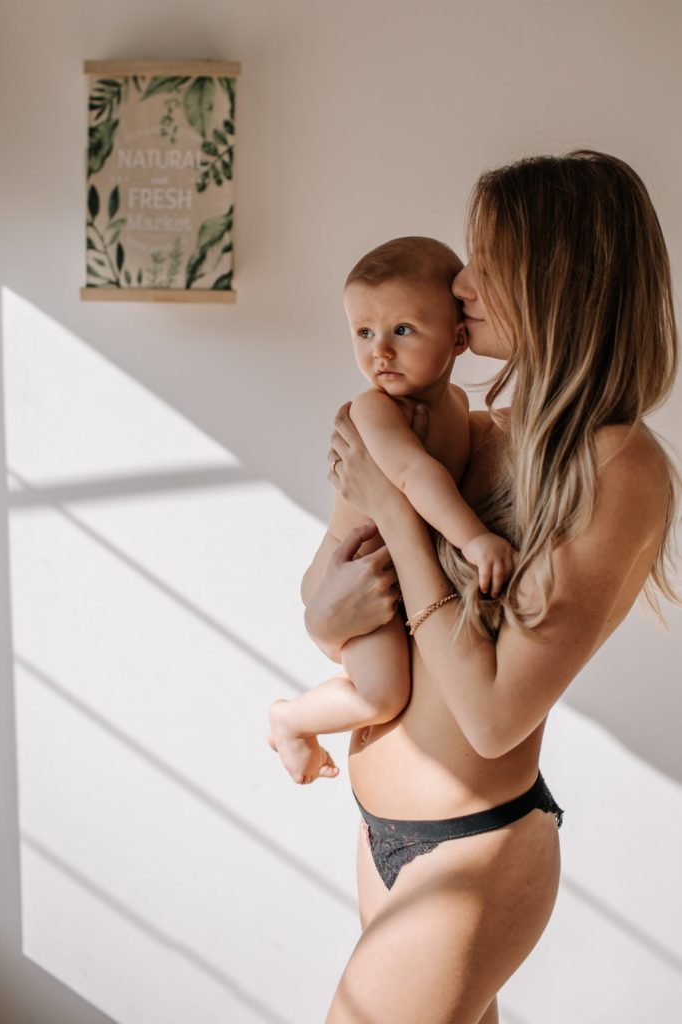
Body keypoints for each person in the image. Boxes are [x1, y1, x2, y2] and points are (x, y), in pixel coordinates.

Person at [303, 151, 679, 1023]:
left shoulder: (617, 465)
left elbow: (491, 714)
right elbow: (357, 621)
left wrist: (393, 511)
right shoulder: (474, 430)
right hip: (381, 830)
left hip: (471, 853)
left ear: (561, 280)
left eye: (488, 260)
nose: (460, 281)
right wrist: (325, 616)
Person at [268, 237, 515, 785]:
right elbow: (412, 476)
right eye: (363, 332)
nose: (379, 351)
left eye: (401, 330)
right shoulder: (373, 409)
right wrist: (474, 540)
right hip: (351, 568)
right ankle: (290, 720)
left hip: (393, 573)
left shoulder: (458, 407)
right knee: (382, 694)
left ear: (456, 339)